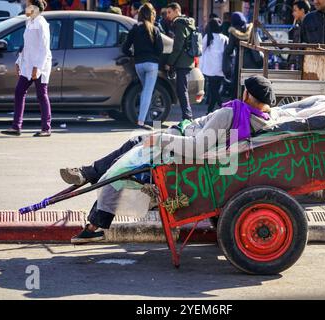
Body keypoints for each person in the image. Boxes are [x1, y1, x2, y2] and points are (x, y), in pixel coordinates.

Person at [60, 75, 277, 243]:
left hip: (180, 156)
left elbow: (197, 147)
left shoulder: (230, 114)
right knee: (128, 152)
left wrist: (163, 139)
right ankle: (89, 186)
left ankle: (88, 180)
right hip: (190, 149)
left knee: (128, 156)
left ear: (247, 94)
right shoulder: (259, 120)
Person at [1, 0, 52, 137]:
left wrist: (37, 67)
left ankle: (46, 129)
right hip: (28, 64)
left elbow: (44, 48)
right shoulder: (29, 22)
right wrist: (19, 61)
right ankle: (16, 127)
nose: (25, 7)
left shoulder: (42, 23)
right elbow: (26, 45)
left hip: (40, 65)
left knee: (41, 95)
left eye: (28, 4)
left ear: (34, 7)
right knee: (19, 92)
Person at [122, 3, 163, 128]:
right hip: (151, 65)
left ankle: (145, 116)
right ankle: (141, 121)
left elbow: (125, 48)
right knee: (147, 91)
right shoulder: (155, 29)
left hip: (139, 64)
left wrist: (133, 55)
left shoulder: (134, 30)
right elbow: (160, 49)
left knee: (145, 90)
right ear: (151, 15)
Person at [164, 2, 196, 121]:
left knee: (182, 90)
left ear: (177, 11)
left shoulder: (179, 23)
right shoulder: (188, 22)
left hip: (182, 62)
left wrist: (170, 62)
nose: (168, 15)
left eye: (169, 12)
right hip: (188, 60)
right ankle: (187, 116)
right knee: (182, 89)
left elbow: (178, 46)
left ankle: (188, 117)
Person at [224, 11, 263, 99]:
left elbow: (229, 49)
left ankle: (240, 102)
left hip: (241, 62)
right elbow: (259, 43)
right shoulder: (252, 29)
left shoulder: (233, 31)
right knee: (253, 84)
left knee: (239, 84)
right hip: (255, 62)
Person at [201, 18, 228, 114]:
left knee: (213, 90)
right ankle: (210, 110)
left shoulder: (208, 36)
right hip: (221, 68)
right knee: (215, 90)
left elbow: (201, 50)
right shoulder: (224, 38)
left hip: (210, 68)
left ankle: (222, 106)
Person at [288, 0, 311, 69]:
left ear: (302, 10)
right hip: (298, 61)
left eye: (295, 10)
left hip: (307, 62)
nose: (293, 13)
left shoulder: (310, 24)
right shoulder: (298, 25)